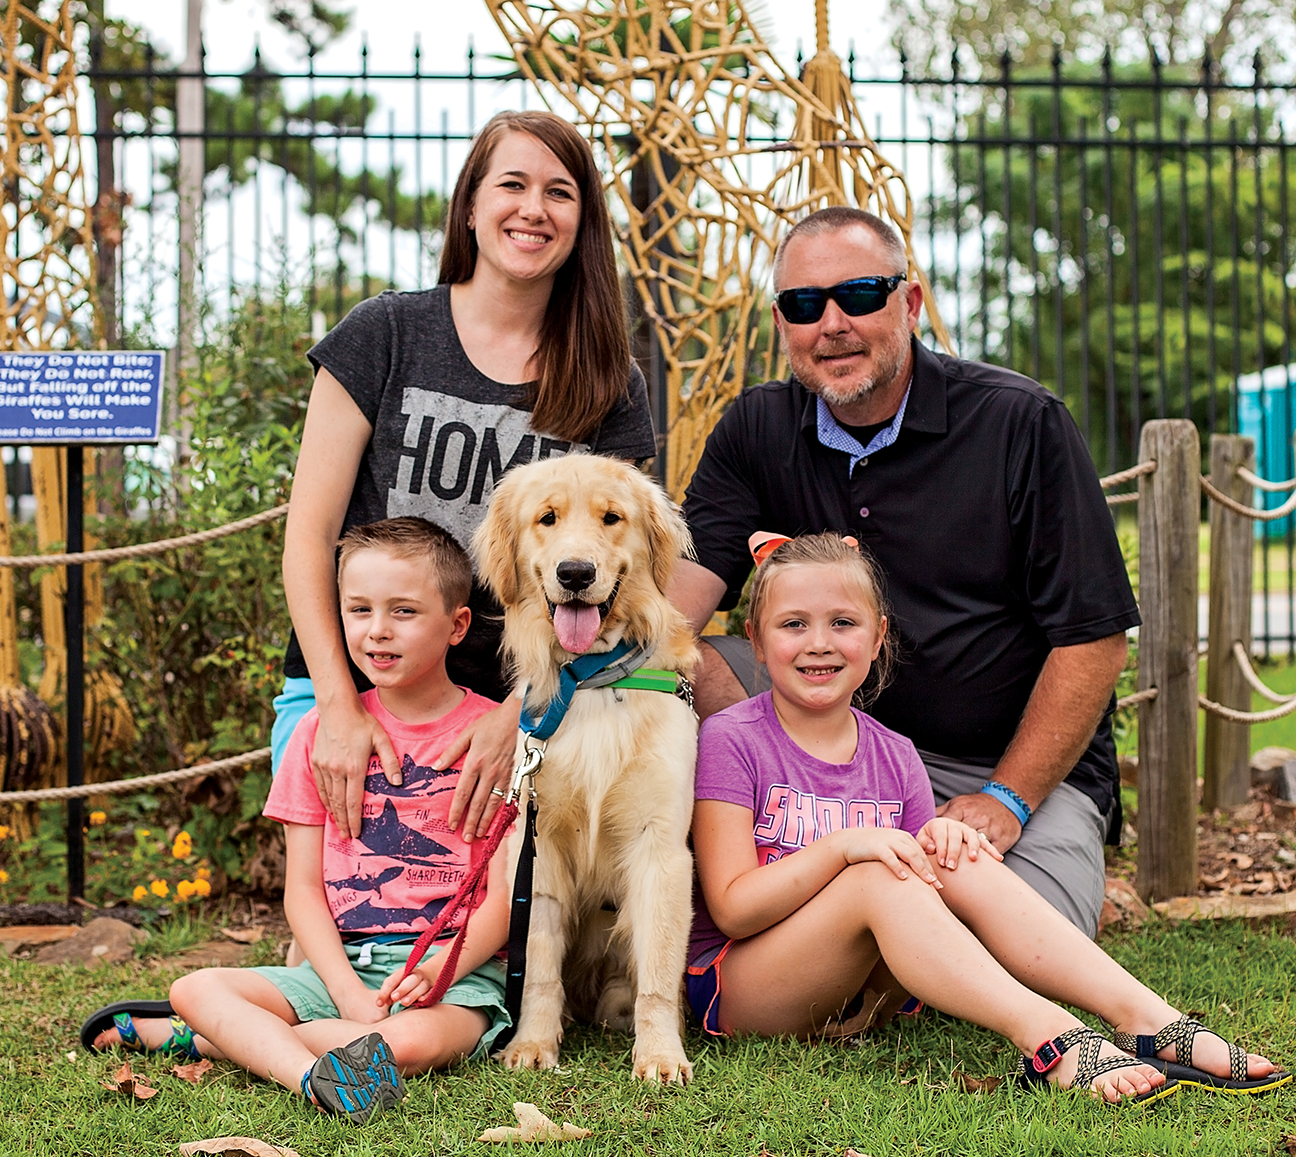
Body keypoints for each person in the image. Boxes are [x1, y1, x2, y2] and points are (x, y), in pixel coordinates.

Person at [687, 533, 1287, 1100]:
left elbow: (927, 896)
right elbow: (734, 909)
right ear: (757, 641)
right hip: (744, 986)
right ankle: (1052, 1037)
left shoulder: (894, 753)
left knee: (955, 851)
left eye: (843, 623)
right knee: (877, 870)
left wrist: (940, 837)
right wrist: (846, 846)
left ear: (878, 638)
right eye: (794, 625)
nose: (819, 642)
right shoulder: (732, 738)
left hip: (860, 991)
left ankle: (1153, 1020)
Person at [672, 205, 1136, 936]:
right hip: (825, 740)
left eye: (859, 295)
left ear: (909, 302)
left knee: (1032, 936)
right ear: (781, 321)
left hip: (994, 763)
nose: (832, 323)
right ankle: (771, 855)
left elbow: (1096, 640)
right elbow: (675, 608)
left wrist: (1006, 800)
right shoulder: (755, 428)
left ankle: (830, 895)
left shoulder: (1020, 422)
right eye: (804, 303)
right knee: (683, 661)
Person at [279, 109, 657, 845]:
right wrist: (339, 707)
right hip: (359, 676)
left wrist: (517, 711)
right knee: (351, 914)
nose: (533, 209)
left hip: (519, 694)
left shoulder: (611, 383)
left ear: (583, 222)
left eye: (559, 191)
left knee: (481, 935)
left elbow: (621, 575)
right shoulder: (383, 335)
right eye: (512, 184)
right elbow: (309, 536)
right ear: (472, 206)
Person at [84, 518, 514, 1123]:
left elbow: (504, 895)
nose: (377, 631)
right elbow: (305, 890)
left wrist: (435, 972)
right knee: (195, 989)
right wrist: (344, 993)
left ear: (458, 625)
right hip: (341, 968)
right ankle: (310, 1078)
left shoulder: (498, 738)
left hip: (452, 974)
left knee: (410, 1044)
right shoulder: (317, 736)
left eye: (405, 612)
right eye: (358, 610)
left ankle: (209, 1040)